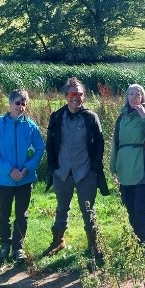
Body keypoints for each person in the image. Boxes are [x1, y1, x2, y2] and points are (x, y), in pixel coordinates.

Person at [43, 77, 109, 263]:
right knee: (61, 208)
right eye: (72, 94)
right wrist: (53, 168)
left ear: (83, 96)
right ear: (65, 96)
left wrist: (94, 169)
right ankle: (58, 241)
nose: (75, 98)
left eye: (79, 94)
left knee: (88, 210)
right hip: (62, 172)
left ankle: (94, 245)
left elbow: (100, 144)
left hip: (85, 172)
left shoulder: (91, 118)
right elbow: (50, 145)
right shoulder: (56, 117)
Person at [0, 89, 45, 264]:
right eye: (17, 103)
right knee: (4, 213)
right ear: (10, 104)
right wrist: (9, 169)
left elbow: (40, 149)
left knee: (22, 213)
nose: (21, 107)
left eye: (24, 103)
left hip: (25, 180)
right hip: (4, 180)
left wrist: (28, 168)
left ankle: (18, 247)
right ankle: (4, 244)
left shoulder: (31, 126)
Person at [110, 84, 145, 254]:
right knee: (130, 207)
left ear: (142, 96)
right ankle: (138, 241)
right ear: (127, 97)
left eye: (137, 94)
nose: (134, 96)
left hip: (144, 166)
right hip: (125, 168)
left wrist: (144, 115)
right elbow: (116, 143)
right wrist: (113, 165)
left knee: (141, 208)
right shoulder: (122, 117)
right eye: (131, 93)